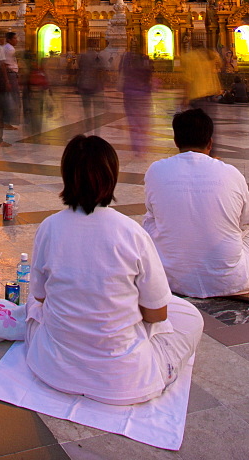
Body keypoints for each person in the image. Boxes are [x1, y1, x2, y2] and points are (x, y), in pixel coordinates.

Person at [25, 134, 203, 405]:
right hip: (124, 381)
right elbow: (156, 314)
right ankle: (158, 369)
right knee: (190, 317)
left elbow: (39, 297)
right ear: (112, 177)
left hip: (52, 369)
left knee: (31, 306)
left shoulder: (49, 227)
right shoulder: (131, 232)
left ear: (66, 176)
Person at [143, 108, 249, 298]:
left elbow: (153, 215)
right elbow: (247, 220)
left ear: (176, 141)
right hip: (232, 281)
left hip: (170, 279)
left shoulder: (155, 170)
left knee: (149, 220)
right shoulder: (231, 173)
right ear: (210, 143)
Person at [0, 31, 19, 145]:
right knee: (2, 109)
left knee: (1, 109)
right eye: (1, 37)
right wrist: (7, 80)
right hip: (2, 82)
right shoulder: (0, 49)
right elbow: (2, 65)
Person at [77, 42, 104, 124]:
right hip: (95, 86)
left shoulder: (83, 55)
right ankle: (96, 125)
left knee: (87, 108)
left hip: (84, 84)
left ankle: (88, 121)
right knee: (97, 109)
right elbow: (101, 70)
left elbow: (79, 68)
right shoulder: (98, 56)